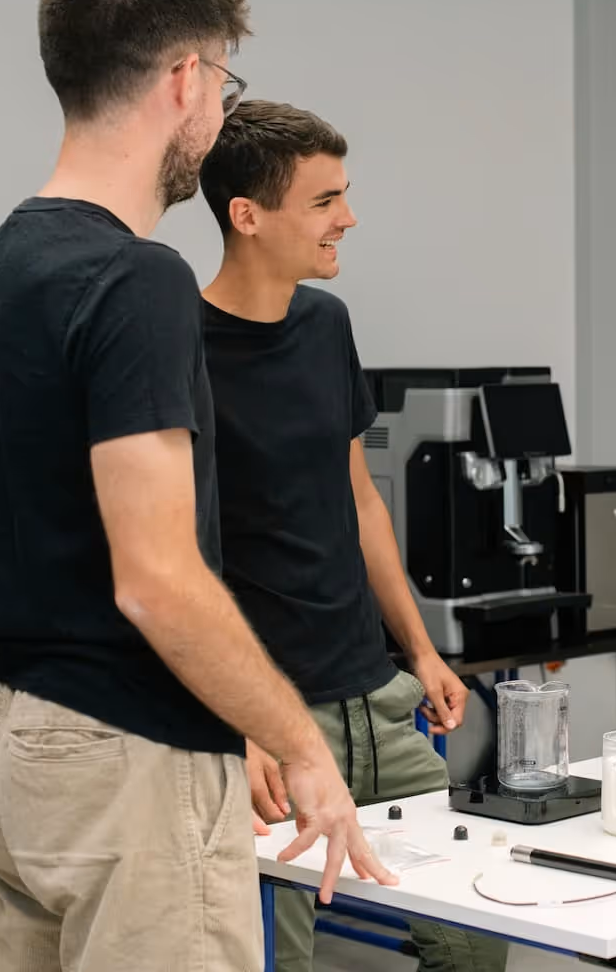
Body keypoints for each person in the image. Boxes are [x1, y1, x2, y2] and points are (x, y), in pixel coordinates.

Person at [0, 0, 392, 968]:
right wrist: (303, 741)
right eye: (225, 80)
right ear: (185, 78)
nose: (222, 107)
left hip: (18, 745)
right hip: (129, 760)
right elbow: (158, 578)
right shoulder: (138, 278)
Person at [197, 99, 511, 972]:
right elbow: (177, 557)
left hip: (378, 703)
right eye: (326, 200)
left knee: (478, 944)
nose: (350, 217)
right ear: (248, 216)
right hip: (273, 720)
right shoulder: (177, 347)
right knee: (277, 963)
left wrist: (421, 649)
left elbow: (359, 502)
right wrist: (241, 723)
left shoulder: (325, 326)